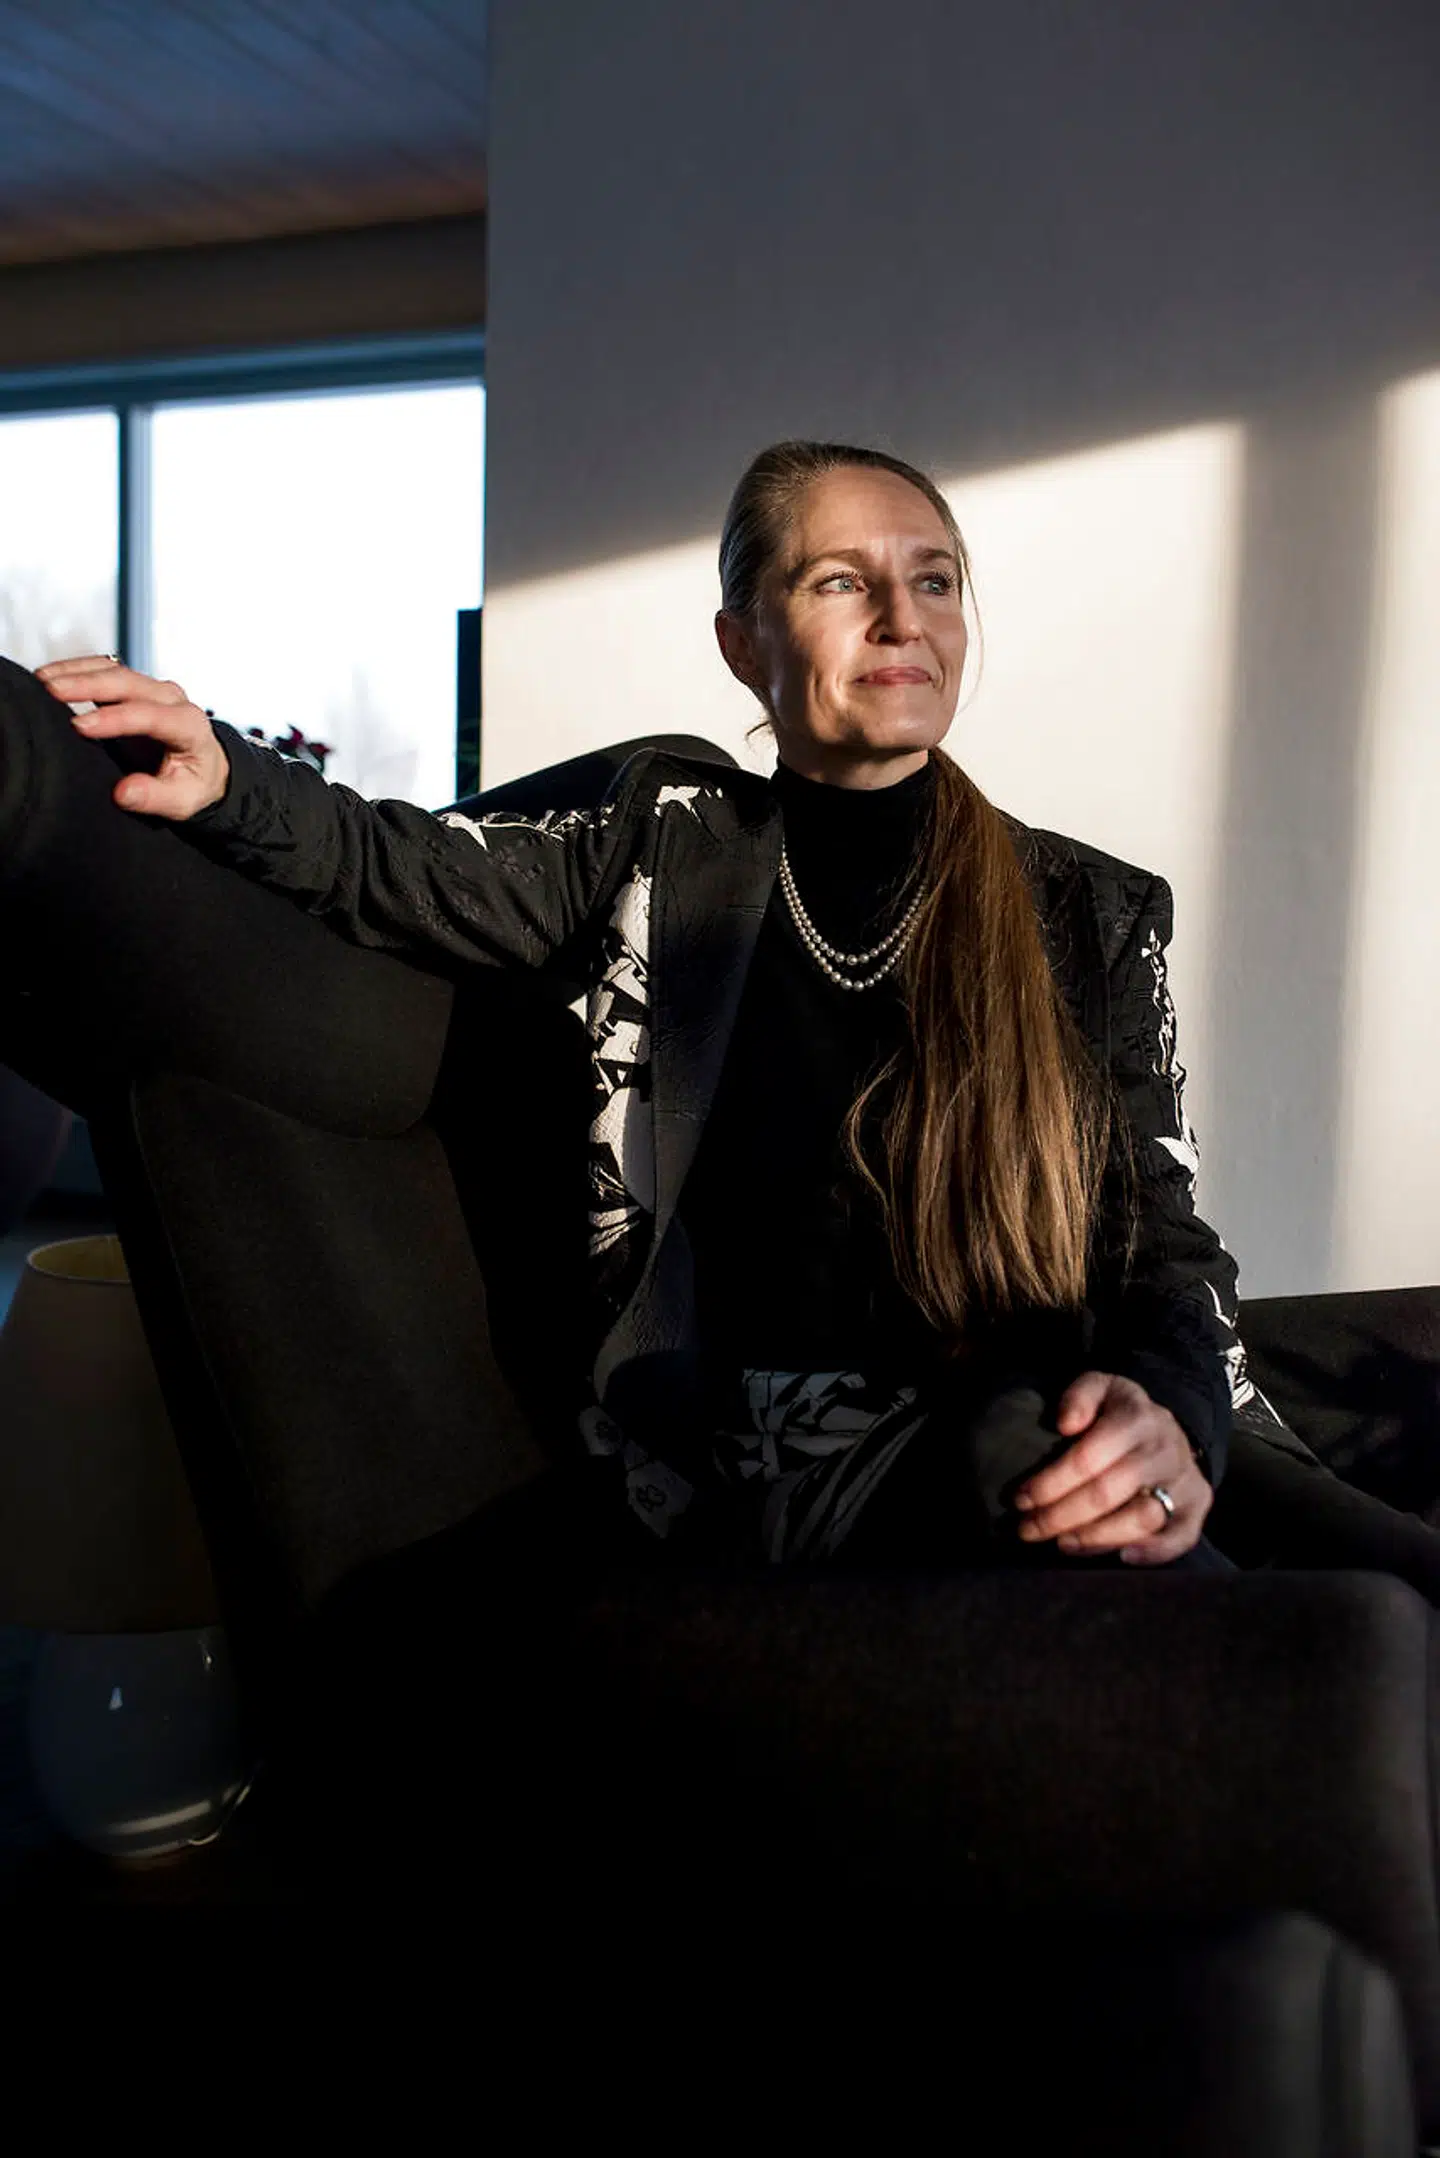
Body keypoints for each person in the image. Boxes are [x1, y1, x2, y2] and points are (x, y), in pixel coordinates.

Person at [19, 439, 1292, 1583]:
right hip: (772, 1460)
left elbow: (1164, 1253)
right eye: (840, 581)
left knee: (1318, 1571)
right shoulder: (662, 847)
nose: (902, 617)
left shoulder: (1091, 912)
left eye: (936, 579)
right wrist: (230, 775)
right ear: (744, 643)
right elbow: (394, 863)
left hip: (1040, 1419)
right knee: (1143, 1549)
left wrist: (1168, 1418)